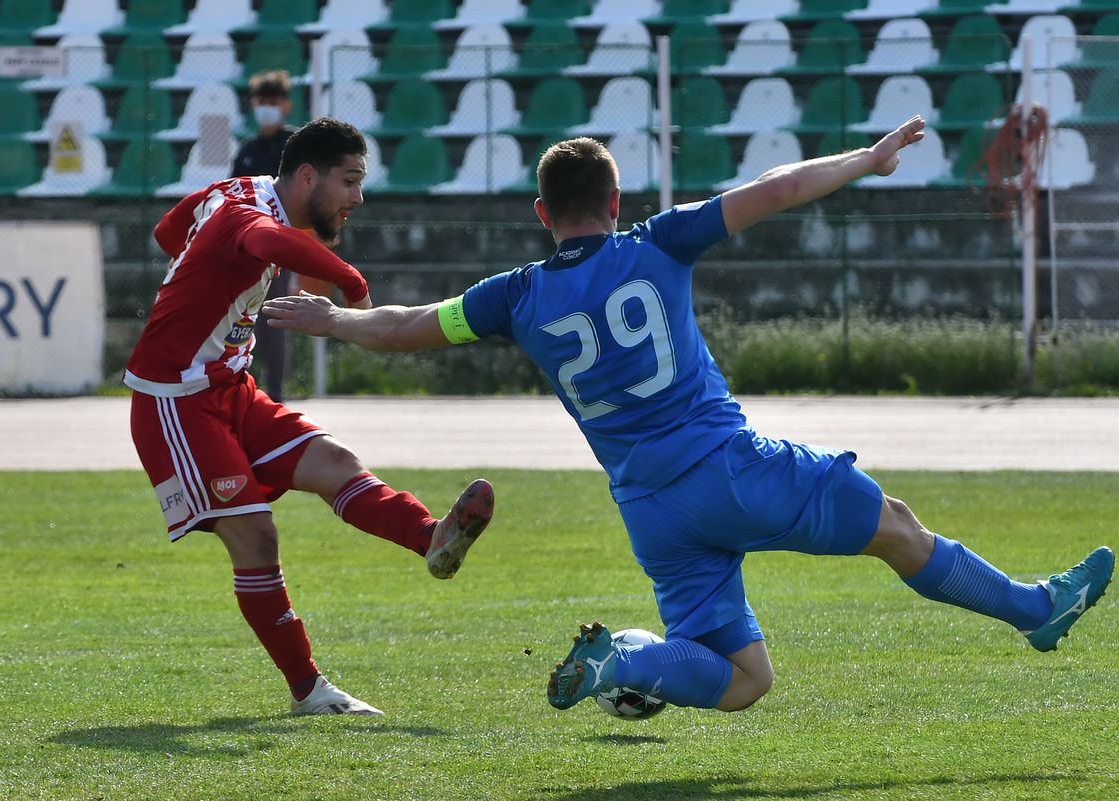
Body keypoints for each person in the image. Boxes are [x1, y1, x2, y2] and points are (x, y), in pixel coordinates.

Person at [262, 115, 1114, 715]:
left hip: (651, 509)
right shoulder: (659, 241)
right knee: (894, 524)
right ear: (616, 200)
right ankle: (1035, 610)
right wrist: (867, 157)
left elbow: (407, 326)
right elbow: (776, 187)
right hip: (731, 469)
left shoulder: (512, 296)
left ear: (541, 214)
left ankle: (622, 660)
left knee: (742, 677)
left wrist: (332, 319)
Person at [124, 117, 495, 717]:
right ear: (305, 176)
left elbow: (169, 231)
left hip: (230, 387)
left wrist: (203, 277)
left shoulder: (234, 191)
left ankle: (432, 537)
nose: (358, 197)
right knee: (255, 535)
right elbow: (266, 242)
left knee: (334, 463)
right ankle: (308, 691)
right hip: (176, 399)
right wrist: (351, 280)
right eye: (349, 181)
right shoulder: (250, 217)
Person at [230, 69, 298, 402]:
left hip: (281, 245)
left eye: (273, 101)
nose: (266, 108)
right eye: (262, 102)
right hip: (246, 245)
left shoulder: (295, 146)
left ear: (285, 105)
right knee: (240, 319)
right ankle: (239, 386)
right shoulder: (247, 150)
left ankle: (274, 393)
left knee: (272, 318)